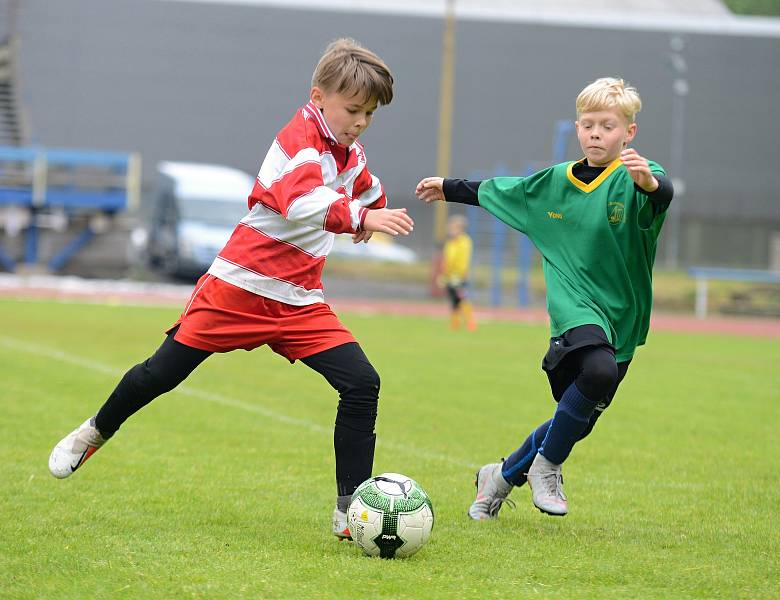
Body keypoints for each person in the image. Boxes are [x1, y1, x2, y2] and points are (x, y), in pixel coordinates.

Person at [48, 38, 414, 541]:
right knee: (161, 373)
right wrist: (364, 217)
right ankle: (96, 430)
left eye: (370, 114)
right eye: (353, 110)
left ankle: (351, 510)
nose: (361, 121)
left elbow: (364, 185)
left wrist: (376, 208)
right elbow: (302, 202)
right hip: (239, 287)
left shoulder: (348, 149)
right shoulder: (298, 139)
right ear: (318, 96)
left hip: (300, 299)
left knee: (361, 382)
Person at [416, 77, 673, 519]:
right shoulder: (556, 182)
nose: (597, 133)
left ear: (628, 132)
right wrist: (448, 187)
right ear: (577, 128)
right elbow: (504, 190)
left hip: (624, 315)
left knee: (579, 420)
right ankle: (547, 468)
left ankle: (497, 478)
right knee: (597, 370)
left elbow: (660, 194)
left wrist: (648, 182)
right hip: (575, 306)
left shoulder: (638, 175)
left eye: (608, 126)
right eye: (589, 124)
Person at [441, 214, 477, 331]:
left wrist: (460, 274)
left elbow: (462, 260)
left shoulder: (464, 242)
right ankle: (455, 324)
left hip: (459, 276)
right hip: (450, 276)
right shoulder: (450, 243)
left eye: (453, 228)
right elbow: (447, 260)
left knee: (462, 299)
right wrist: (444, 274)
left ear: (460, 229)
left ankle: (471, 323)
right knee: (454, 301)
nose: (450, 231)